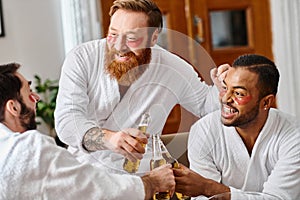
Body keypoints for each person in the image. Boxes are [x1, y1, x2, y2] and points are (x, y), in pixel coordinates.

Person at [54, 0, 227, 174]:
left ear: (153, 38)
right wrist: (110, 139)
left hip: (143, 176)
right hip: (86, 173)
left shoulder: (173, 68)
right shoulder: (82, 58)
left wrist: (223, 89)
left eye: (131, 38)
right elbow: (67, 121)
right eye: (113, 34)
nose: (119, 46)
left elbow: (205, 104)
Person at [0, 63, 176, 200]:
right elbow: (97, 190)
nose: (37, 98)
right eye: (29, 93)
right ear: (13, 107)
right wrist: (152, 182)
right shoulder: (27, 150)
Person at [173, 54, 300, 199]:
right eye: (225, 88)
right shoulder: (204, 131)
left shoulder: (294, 136)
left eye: (238, 93)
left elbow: (278, 198)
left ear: (266, 102)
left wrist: (209, 187)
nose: (225, 99)